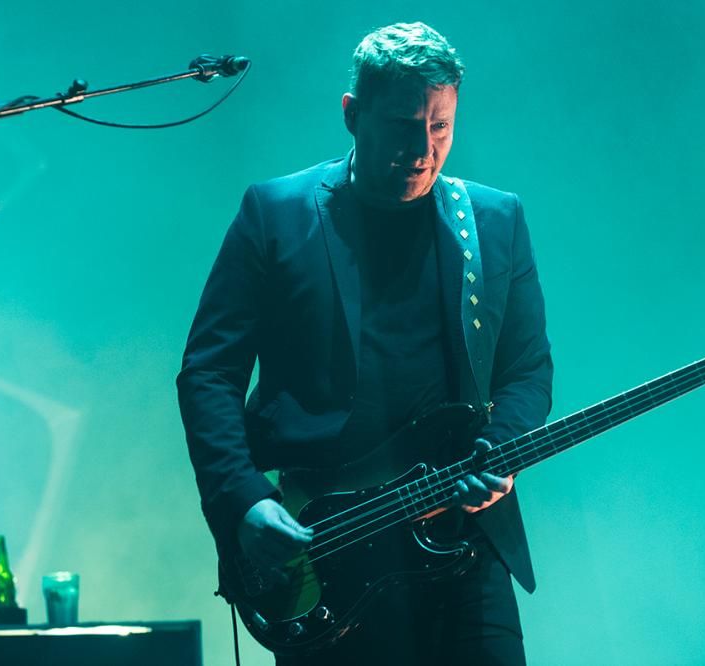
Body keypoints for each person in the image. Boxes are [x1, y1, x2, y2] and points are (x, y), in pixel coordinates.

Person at [177, 21, 553, 665]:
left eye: (440, 126)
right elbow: (208, 373)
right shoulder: (275, 213)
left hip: (462, 544)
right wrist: (242, 498)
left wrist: (501, 451)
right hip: (327, 543)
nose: (424, 149)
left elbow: (527, 369)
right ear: (353, 114)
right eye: (404, 125)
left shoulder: (495, 220)